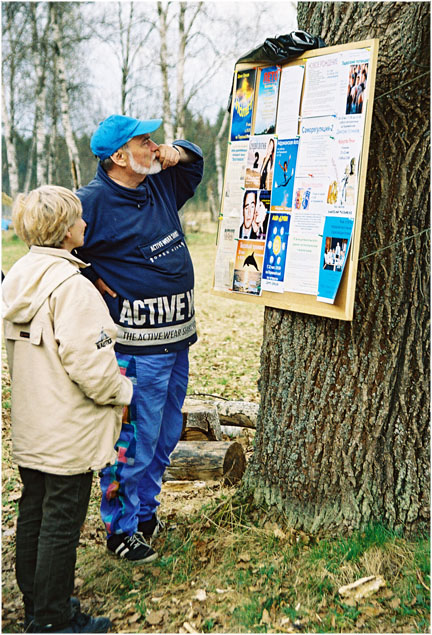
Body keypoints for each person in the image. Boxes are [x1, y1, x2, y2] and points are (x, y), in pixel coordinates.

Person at [2, 186, 133, 633]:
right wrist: (125, 392)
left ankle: (38, 605)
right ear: (62, 231)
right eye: (77, 219)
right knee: (60, 521)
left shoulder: (19, 278)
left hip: (33, 422)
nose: (84, 224)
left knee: (34, 510)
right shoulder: (72, 289)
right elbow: (93, 369)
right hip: (68, 428)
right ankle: (54, 620)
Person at [74, 114, 204, 564]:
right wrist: (89, 275)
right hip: (135, 349)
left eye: (152, 140)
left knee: (166, 433)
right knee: (133, 439)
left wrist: (179, 151)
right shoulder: (90, 202)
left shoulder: (158, 183)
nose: (154, 147)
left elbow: (194, 166)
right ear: (118, 156)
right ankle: (120, 529)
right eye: (144, 142)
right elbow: (52, 245)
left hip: (177, 340)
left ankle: (146, 514)